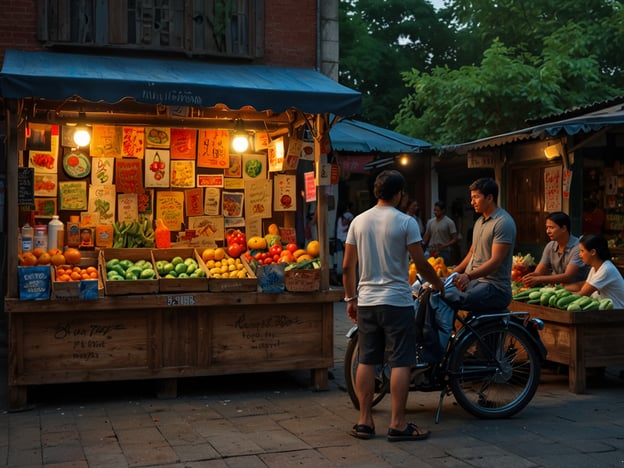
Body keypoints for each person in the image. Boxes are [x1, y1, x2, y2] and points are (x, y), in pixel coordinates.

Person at [342, 170, 444, 442]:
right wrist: (437, 283)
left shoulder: (358, 222)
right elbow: (421, 264)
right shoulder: (406, 222)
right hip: (397, 301)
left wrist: (350, 299)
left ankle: (364, 421)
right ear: (399, 194)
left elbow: (347, 266)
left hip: (367, 302)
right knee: (401, 360)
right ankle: (398, 424)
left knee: (367, 359)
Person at [451, 177, 516, 312]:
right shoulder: (479, 222)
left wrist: (468, 276)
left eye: (476, 197)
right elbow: (471, 253)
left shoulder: (503, 222)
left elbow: (495, 261)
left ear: (489, 198)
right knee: (441, 294)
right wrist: (454, 273)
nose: (472, 202)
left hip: (494, 287)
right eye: (472, 197)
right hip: (475, 282)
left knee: (455, 298)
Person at [522, 212, 589, 287]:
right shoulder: (550, 246)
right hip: (556, 289)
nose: (548, 231)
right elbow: (539, 272)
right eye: (547, 227)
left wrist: (538, 279)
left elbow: (567, 276)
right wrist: (530, 277)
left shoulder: (578, 247)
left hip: (576, 291)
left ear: (563, 228)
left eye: (551, 227)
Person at [565, 234, 624, 308]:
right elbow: (583, 287)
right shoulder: (595, 267)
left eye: (582, 251)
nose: (580, 255)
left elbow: (583, 293)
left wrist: (559, 295)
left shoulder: (606, 269)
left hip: (617, 315)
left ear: (593, 252)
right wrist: (562, 289)